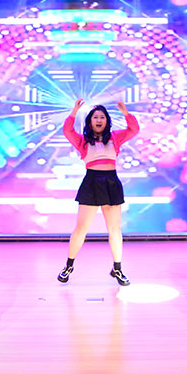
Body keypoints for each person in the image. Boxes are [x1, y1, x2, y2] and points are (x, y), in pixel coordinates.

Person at [58, 99, 140, 286]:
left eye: (102, 117)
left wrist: (126, 112)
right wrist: (74, 112)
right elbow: (67, 131)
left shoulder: (115, 138)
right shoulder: (82, 141)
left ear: (107, 121)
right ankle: (68, 266)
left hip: (111, 183)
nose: (99, 120)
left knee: (114, 229)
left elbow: (134, 129)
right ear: (90, 121)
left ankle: (117, 268)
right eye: (95, 117)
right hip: (91, 182)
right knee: (81, 229)